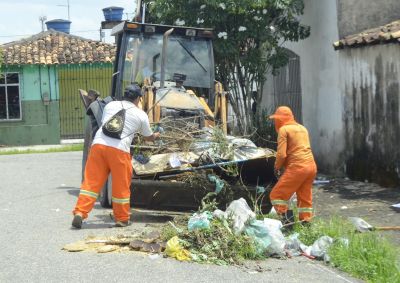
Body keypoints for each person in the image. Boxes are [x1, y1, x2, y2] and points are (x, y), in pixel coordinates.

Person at [72, 84, 160, 229]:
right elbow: (148, 137)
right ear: (138, 98)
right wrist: (155, 136)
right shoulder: (141, 114)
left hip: (98, 146)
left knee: (90, 184)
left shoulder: (110, 105)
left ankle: (80, 213)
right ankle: (122, 219)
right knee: (121, 187)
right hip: (119, 151)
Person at [268, 106, 317, 226]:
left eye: (276, 119)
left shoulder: (284, 130)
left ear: (280, 120)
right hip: (311, 167)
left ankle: (288, 224)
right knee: (304, 197)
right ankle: (306, 225)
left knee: (276, 195)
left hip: (297, 167)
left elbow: (281, 154)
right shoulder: (303, 128)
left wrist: (277, 167)